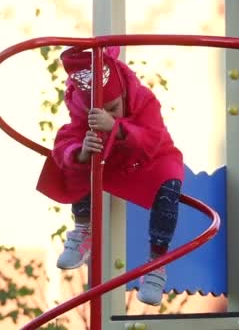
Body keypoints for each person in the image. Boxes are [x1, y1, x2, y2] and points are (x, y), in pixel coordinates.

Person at [36, 46, 184, 306]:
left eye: (114, 107)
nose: (108, 113)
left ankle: (157, 264)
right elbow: (67, 139)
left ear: (125, 95)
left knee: (170, 181)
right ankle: (84, 231)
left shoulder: (143, 100)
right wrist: (79, 153)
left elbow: (152, 137)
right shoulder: (83, 111)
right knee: (77, 160)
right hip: (111, 162)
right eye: (100, 110)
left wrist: (117, 127)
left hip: (149, 161)